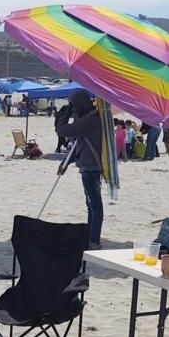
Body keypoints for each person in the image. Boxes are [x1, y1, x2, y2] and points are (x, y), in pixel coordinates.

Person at [55, 89, 103, 249]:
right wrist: (65, 163)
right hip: (88, 166)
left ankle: (94, 239)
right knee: (91, 203)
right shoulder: (88, 119)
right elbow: (78, 145)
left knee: (94, 204)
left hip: (91, 168)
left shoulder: (91, 120)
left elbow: (62, 130)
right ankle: (91, 236)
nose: (73, 109)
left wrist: (64, 115)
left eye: (74, 106)